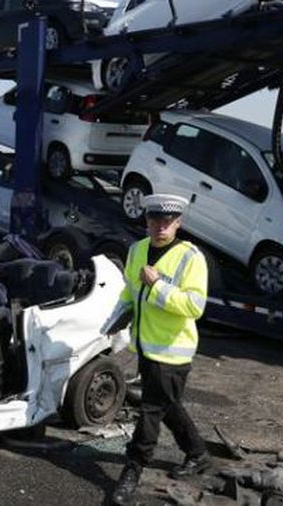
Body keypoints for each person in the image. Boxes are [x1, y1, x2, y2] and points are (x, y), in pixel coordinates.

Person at [109, 193, 211, 506]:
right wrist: (114, 320)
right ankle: (198, 453)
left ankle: (134, 467)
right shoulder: (137, 250)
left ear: (178, 223)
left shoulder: (190, 257)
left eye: (168, 221)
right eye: (155, 220)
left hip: (173, 351)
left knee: (151, 411)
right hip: (146, 347)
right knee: (168, 405)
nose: (160, 227)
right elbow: (129, 291)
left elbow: (195, 306)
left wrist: (158, 286)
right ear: (147, 220)